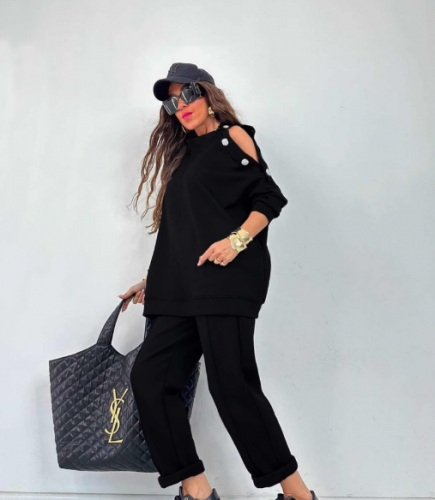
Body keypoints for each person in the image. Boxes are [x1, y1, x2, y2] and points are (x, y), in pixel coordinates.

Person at [119, 63, 319, 500]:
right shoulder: (185, 159)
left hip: (226, 281)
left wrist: (237, 240)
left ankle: (298, 494)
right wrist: (152, 279)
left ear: (208, 95)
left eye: (188, 94)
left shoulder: (234, 137)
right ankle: (196, 489)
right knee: (151, 379)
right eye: (172, 102)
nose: (181, 106)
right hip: (181, 287)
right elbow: (184, 231)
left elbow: (268, 197)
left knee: (232, 388)